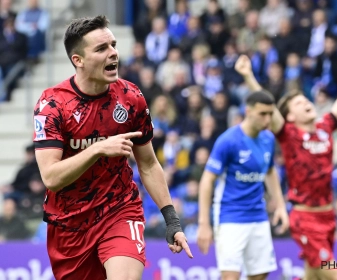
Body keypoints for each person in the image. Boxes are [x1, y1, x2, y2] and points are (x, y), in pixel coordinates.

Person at [32, 15, 192, 280]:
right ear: (78, 60)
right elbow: (51, 177)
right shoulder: (52, 105)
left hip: (119, 209)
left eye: (113, 45)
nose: (113, 53)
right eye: (101, 48)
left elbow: (149, 164)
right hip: (70, 225)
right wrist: (97, 149)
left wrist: (172, 220)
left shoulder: (131, 97)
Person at [234, 38, 337, 280]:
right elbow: (268, 107)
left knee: (313, 275)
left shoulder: (325, 126)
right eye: (299, 103)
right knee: (332, 275)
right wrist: (248, 76)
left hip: (328, 216)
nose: (306, 103)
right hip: (305, 218)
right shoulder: (288, 133)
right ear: (289, 116)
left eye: (305, 100)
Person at [197, 91, 289, 280]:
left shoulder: (269, 139)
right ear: (248, 111)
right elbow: (207, 180)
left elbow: (270, 172)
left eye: (270, 114)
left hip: (258, 215)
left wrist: (280, 205)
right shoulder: (228, 141)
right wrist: (204, 224)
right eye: (262, 114)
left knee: (260, 275)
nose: (267, 119)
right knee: (230, 277)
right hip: (229, 216)